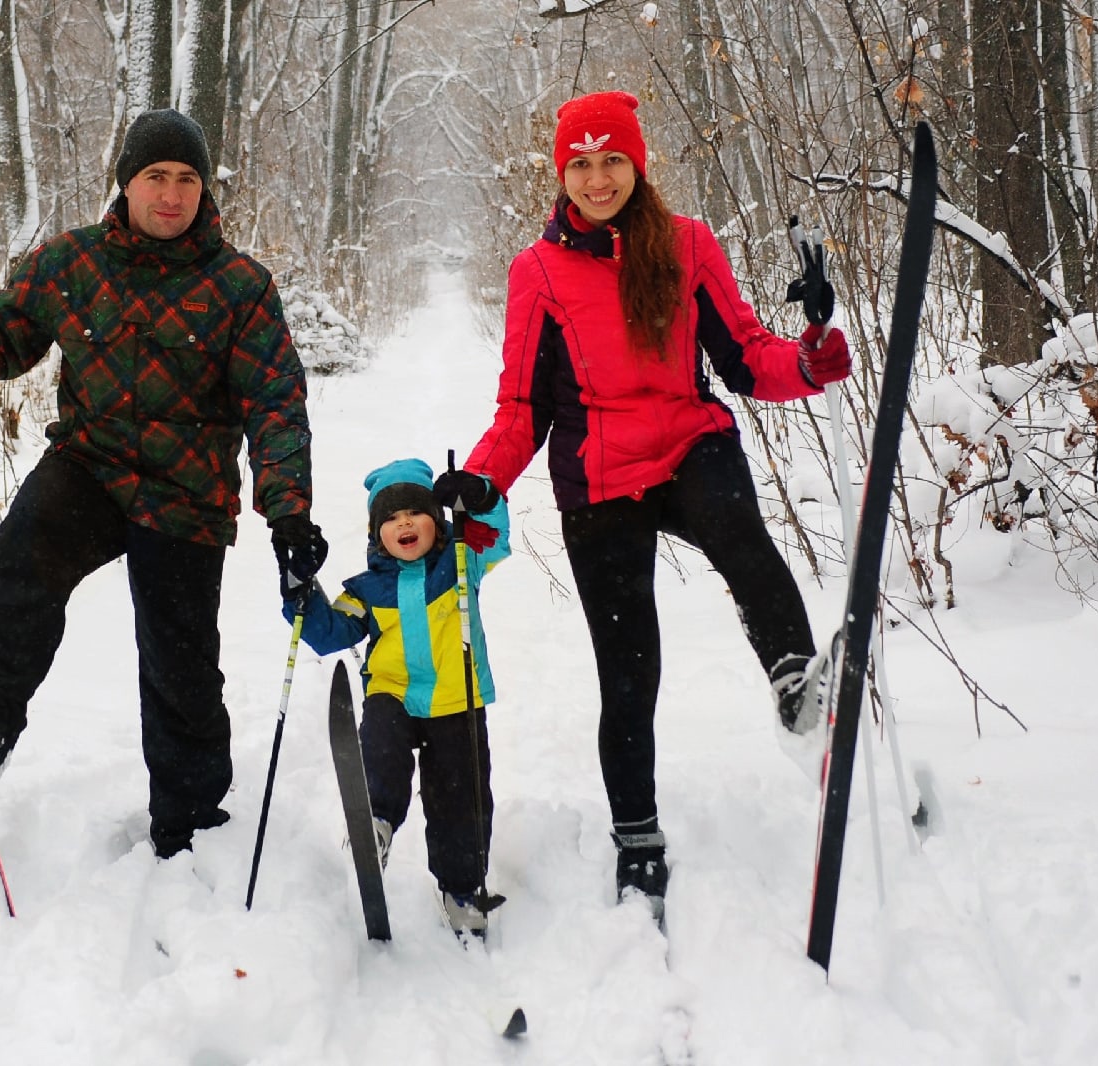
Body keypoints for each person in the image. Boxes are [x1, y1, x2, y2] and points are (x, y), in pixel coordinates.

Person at [0, 108, 329, 860]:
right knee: (25, 555)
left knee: (179, 659)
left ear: (205, 190)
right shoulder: (71, 263)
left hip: (186, 491)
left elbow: (276, 404)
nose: (171, 194)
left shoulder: (239, 287)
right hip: (89, 466)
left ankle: (190, 820)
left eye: (187, 179)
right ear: (125, 183)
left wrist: (288, 514)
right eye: (156, 177)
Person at [438, 91, 852, 918]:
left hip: (688, 440)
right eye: (581, 165)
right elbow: (522, 410)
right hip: (598, 476)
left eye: (612, 160)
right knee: (628, 674)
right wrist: (485, 479)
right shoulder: (539, 272)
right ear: (562, 174)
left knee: (737, 527)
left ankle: (794, 681)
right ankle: (637, 834)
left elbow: (745, 355)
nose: (597, 179)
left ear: (638, 164)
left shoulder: (689, 244)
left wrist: (808, 359)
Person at [287, 458, 510, 939]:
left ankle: (462, 887)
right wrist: (298, 590)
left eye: (415, 512)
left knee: (461, 800)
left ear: (438, 520)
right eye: (389, 517)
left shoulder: (462, 562)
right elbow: (330, 632)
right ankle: (377, 820)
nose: (403, 523)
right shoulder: (365, 591)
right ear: (376, 534)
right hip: (394, 693)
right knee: (382, 742)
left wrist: (482, 497)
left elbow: (495, 531)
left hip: (458, 699)